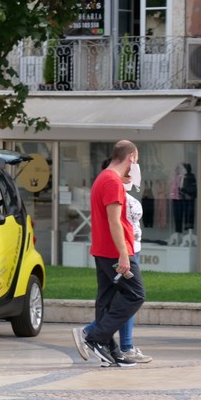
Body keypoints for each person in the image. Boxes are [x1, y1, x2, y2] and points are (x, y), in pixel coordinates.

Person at [72, 140, 145, 367]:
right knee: (135, 294)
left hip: (103, 250)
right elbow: (115, 222)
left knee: (107, 299)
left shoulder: (104, 177)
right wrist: (124, 254)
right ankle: (95, 337)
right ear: (131, 157)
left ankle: (111, 350)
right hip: (115, 251)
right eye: (137, 160)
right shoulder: (112, 181)